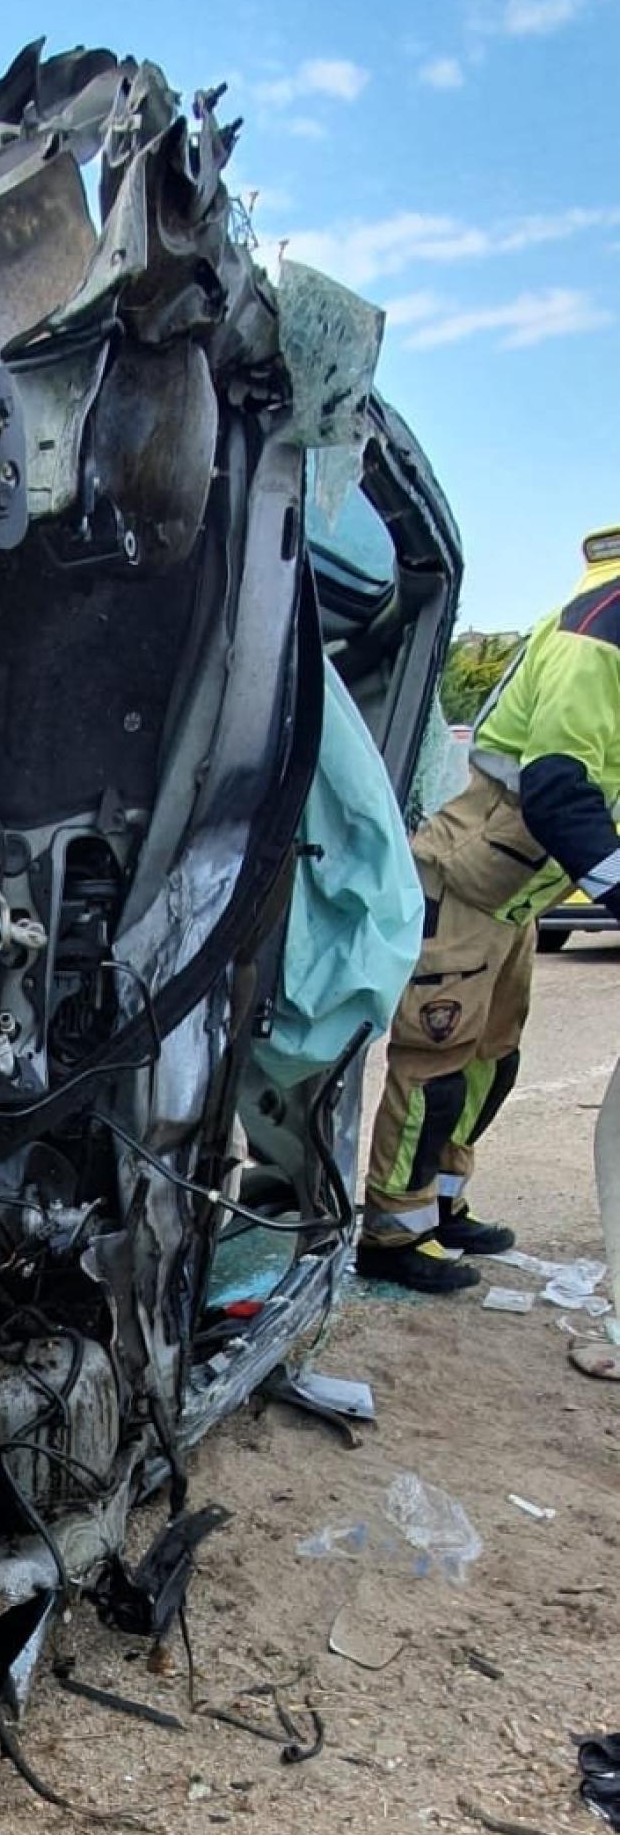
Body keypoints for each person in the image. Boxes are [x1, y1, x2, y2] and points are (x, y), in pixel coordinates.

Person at [359, 523, 620, 1294]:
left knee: (491, 1060)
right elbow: (559, 786)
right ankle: (390, 1229)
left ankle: (442, 1204)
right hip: (470, 877)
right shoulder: (599, 628)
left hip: (517, 891)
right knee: (436, 1059)